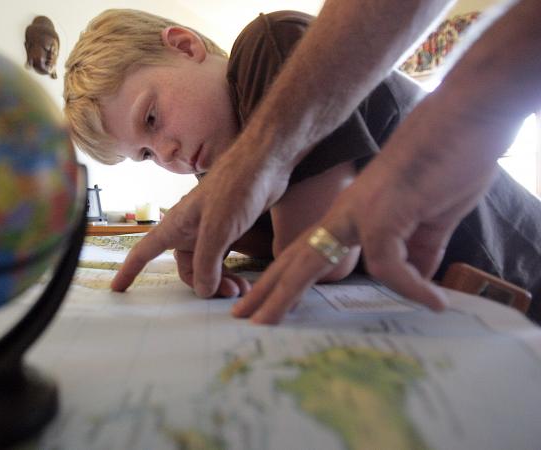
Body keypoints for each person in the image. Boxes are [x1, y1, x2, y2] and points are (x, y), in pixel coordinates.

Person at [63, 6, 541, 324]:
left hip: (516, 274)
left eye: (151, 118)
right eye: (144, 155)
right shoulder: (221, 175)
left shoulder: (268, 47)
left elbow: (323, 257)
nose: (164, 153)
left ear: (186, 46)